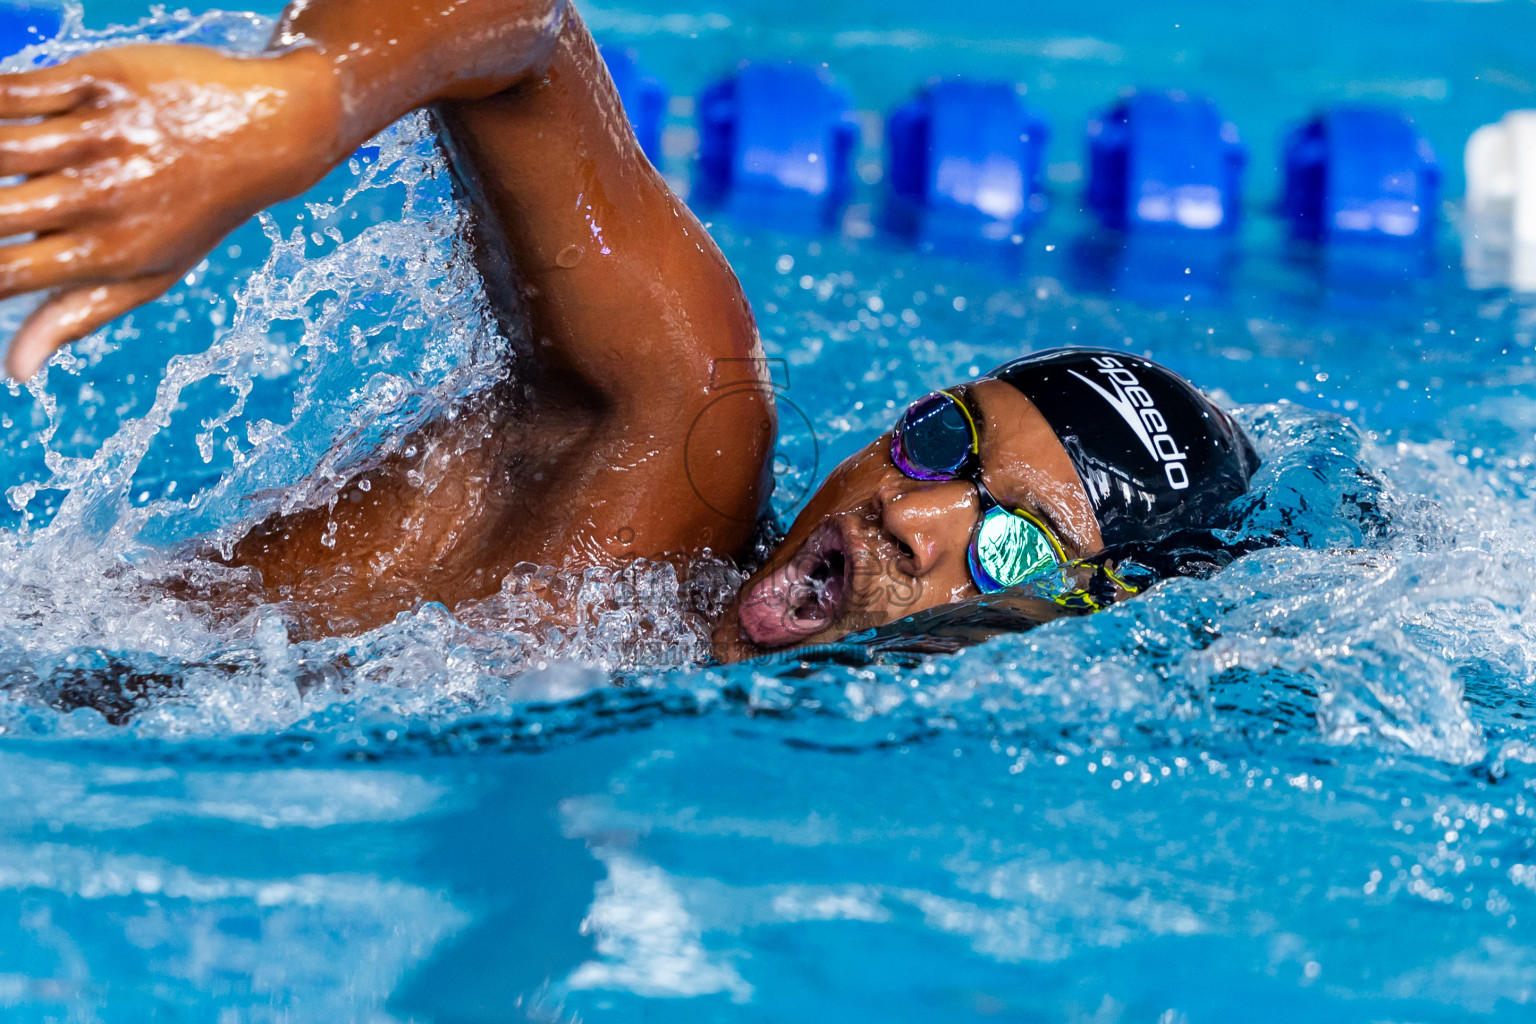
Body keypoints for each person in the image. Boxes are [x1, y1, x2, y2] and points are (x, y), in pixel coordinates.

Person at [0, 0, 1257, 665]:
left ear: (1075, 630)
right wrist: (292, 113)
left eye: (1013, 546)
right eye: (939, 444)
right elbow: (519, 19)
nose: (908, 516)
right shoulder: (663, 462)